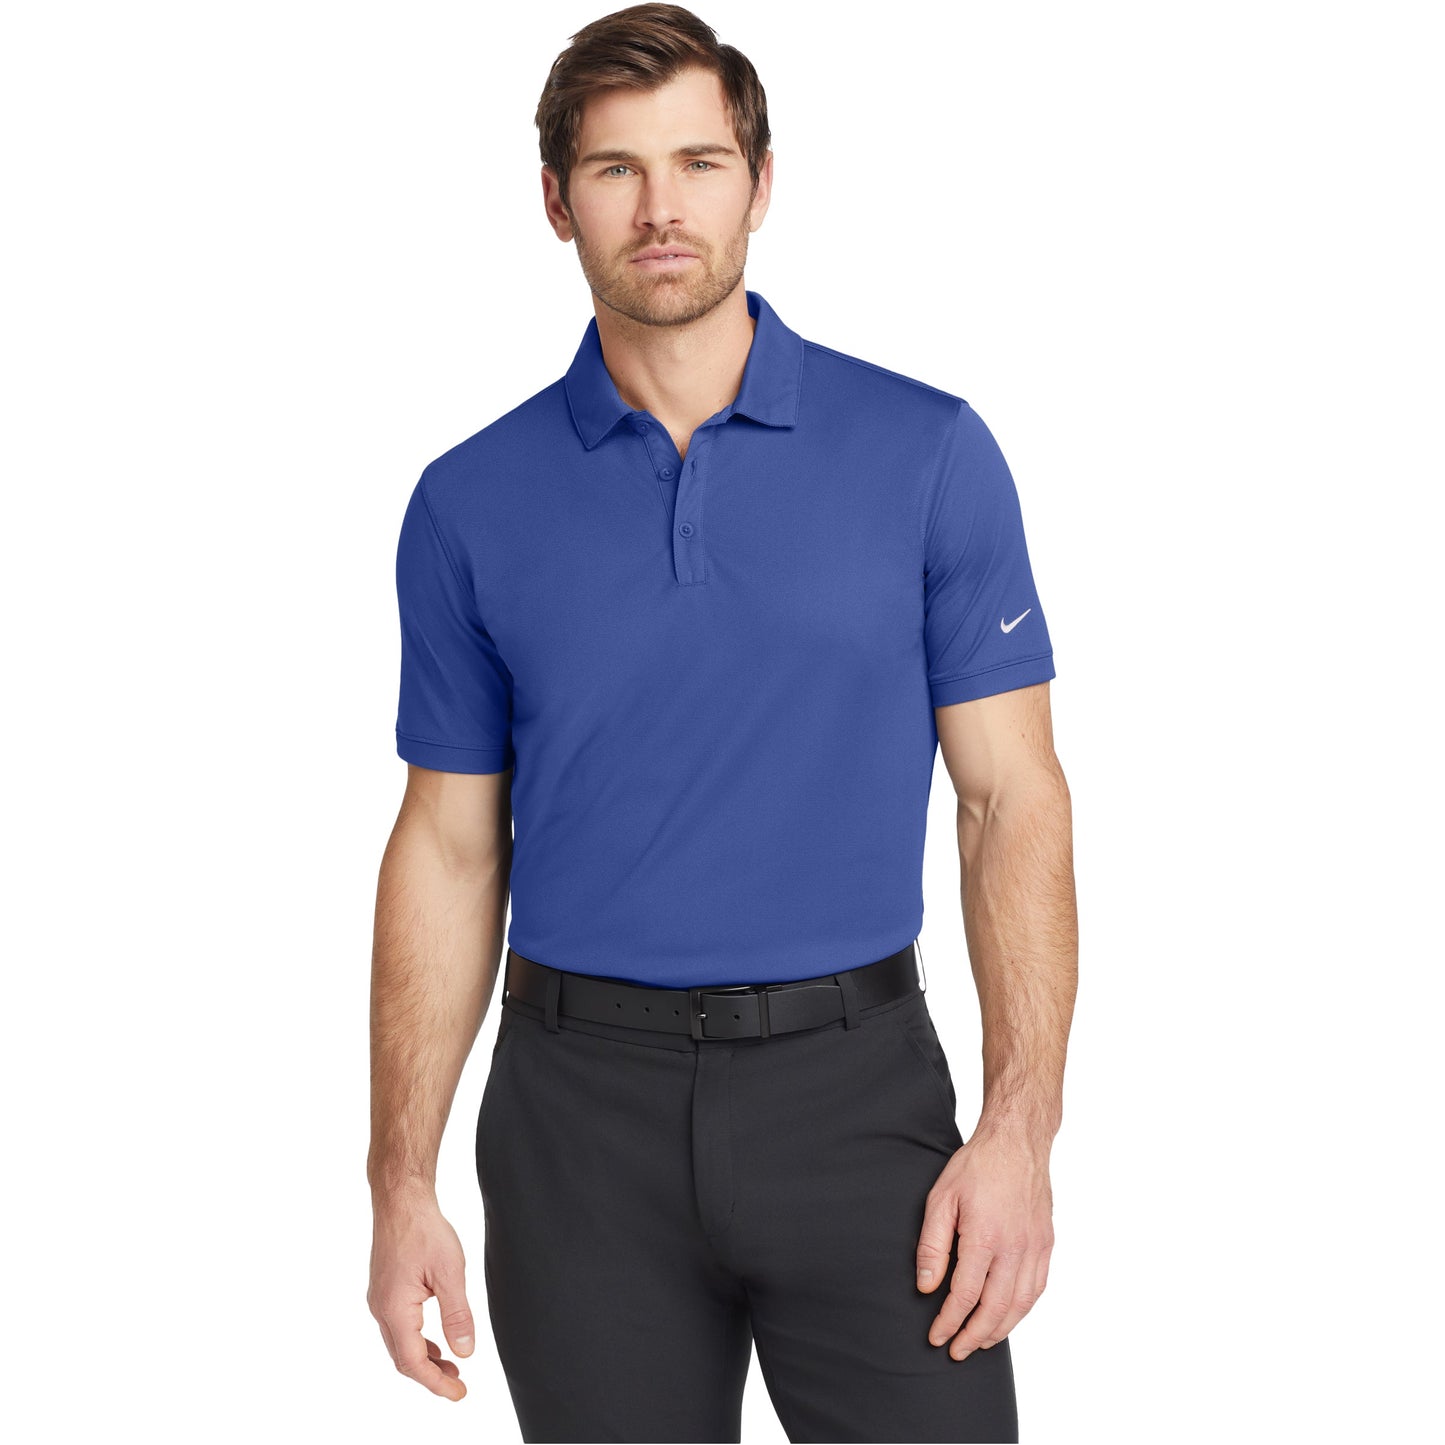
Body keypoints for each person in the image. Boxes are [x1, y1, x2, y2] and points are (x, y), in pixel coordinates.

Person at [366, 5, 1077, 1441]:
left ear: (760, 183)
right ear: (555, 201)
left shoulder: (927, 452)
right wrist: (399, 1180)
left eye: (698, 162)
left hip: (858, 1101)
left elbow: (1011, 798)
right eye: (615, 169)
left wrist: (1020, 1130)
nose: (660, 207)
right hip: (576, 1124)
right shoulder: (468, 501)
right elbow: (447, 844)